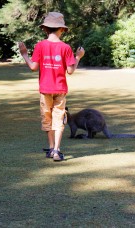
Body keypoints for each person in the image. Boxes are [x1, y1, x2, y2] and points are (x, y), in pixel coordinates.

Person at [18, 12, 85, 161]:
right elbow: (70, 71)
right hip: (60, 90)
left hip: (45, 90)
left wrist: (24, 54)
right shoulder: (66, 48)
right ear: (62, 29)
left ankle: (50, 147)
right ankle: (56, 150)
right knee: (59, 118)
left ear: (45, 29)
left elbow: (33, 67)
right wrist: (78, 57)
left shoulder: (40, 46)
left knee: (46, 118)